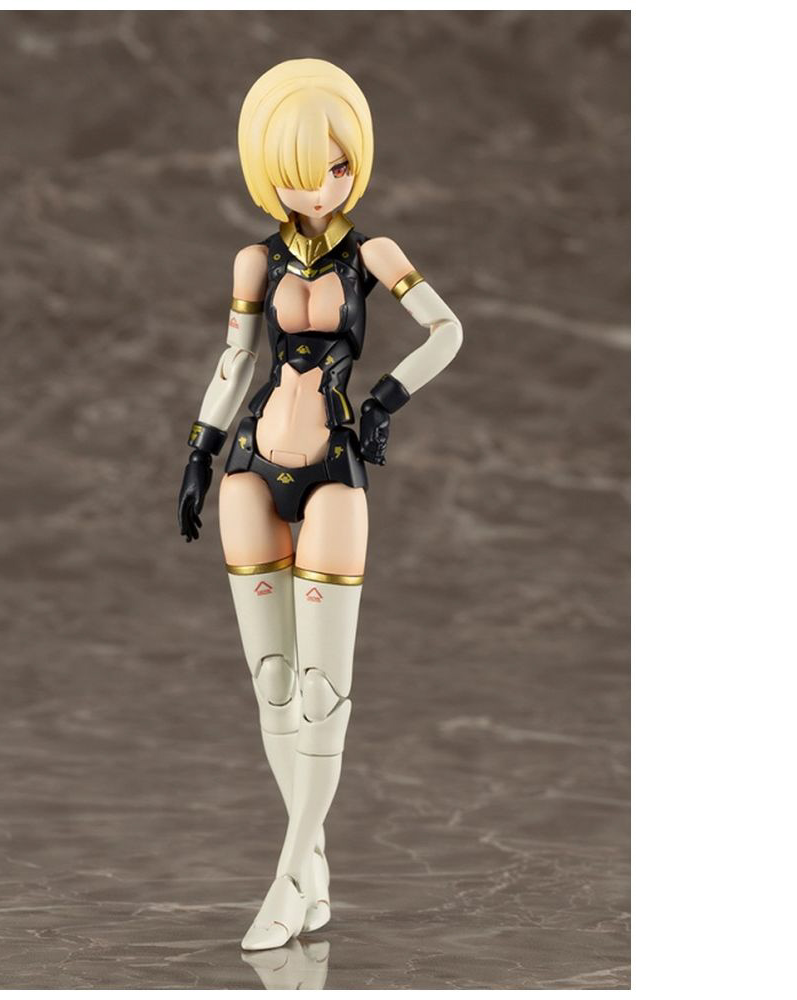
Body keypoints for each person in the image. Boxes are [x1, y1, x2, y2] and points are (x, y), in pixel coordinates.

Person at [177, 58, 463, 951]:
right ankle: (314, 872)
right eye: (299, 170)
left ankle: (287, 877)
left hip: (335, 465)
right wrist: (199, 449)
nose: (320, 185)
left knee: (322, 689)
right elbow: (235, 361)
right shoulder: (254, 260)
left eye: (335, 166)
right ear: (269, 171)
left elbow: (447, 329)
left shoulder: (373, 255)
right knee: (273, 684)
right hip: (251, 467)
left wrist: (386, 399)